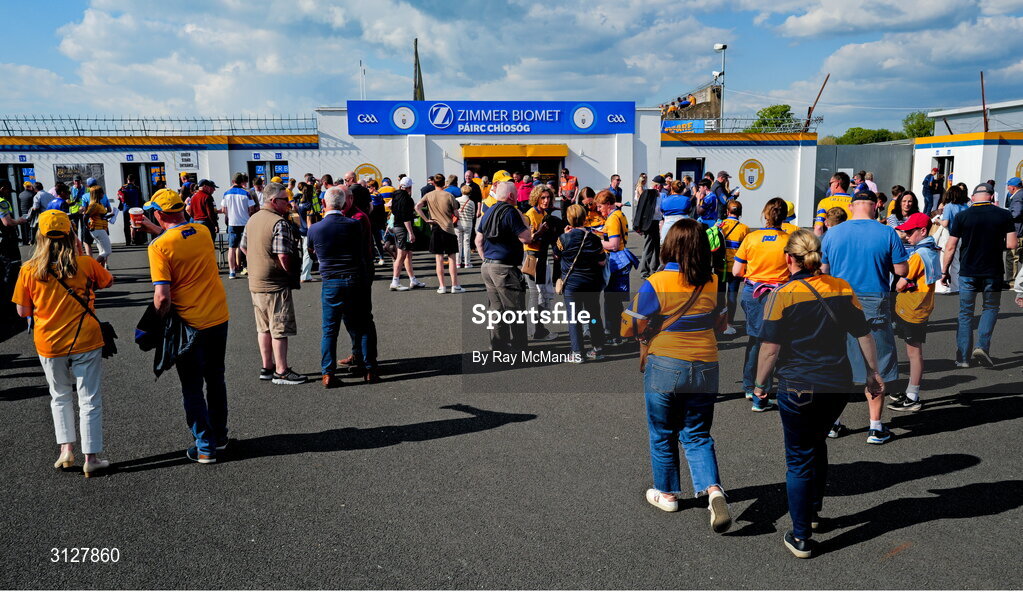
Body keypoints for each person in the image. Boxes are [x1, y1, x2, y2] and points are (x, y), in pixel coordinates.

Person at [754, 229, 884, 559]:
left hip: (798, 385)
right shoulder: (841, 287)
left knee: (798, 457)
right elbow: (863, 333)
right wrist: (872, 373)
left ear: (788, 258)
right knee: (818, 443)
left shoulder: (782, 294)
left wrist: (759, 386)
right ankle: (812, 513)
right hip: (837, 383)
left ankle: (801, 537)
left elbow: (770, 349)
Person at [625, 219, 731, 533]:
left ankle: (667, 493)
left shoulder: (657, 281)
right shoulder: (711, 280)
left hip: (666, 364)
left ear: (669, 245)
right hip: (706, 364)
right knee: (697, 433)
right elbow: (720, 325)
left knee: (662, 431)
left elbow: (629, 325)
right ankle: (713, 490)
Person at [13, 208, 114, 477]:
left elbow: (23, 312)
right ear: (71, 234)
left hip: (49, 341)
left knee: (59, 397)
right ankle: (91, 458)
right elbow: (107, 281)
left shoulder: (29, 270)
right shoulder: (84, 263)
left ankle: (66, 450)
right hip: (86, 337)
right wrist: (84, 253)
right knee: (89, 398)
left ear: (41, 237)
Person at [143, 189, 230, 464]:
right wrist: (154, 228)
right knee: (216, 378)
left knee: (191, 386)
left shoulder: (158, 247)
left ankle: (204, 445)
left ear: (158, 213)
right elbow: (179, 234)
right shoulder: (202, 232)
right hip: (218, 316)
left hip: (189, 324)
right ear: (183, 209)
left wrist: (155, 322)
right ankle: (219, 436)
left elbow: (162, 296)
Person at [821, 190, 908, 444]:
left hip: (839, 300)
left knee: (839, 362)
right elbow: (902, 269)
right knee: (876, 364)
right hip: (873, 301)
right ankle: (875, 426)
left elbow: (824, 270)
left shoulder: (833, 233)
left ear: (851, 206)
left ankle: (833, 423)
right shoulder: (887, 232)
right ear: (876, 205)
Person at [309, 186, 379, 387]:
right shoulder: (354, 224)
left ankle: (327, 373)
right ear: (344, 203)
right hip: (354, 278)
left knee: (330, 330)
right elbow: (362, 250)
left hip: (330, 280)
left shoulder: (315, 228)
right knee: (363, 324)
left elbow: (312, 251)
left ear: (324, 203)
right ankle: (369, 369)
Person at [941, 183, 1017, 367]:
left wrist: (945, 271)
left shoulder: (962, 216)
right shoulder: (1004, 214)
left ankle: (963, 358)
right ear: (991, 197)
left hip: (968, 271)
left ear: (973, 198)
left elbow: (950, 246)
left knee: (965, 313)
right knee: (990, 308)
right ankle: (982, 346)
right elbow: (1012, 244)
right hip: (993, 270)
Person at [241, 182, 307, 385]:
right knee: (279, 328)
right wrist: (289, 273)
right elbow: (284, 256)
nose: (289, 203)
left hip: (256, 282)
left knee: (264, 328)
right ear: (273, 201)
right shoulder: (279, 223)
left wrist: (258, 260)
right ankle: (281, 371)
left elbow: (244, 247)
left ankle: (267, 367)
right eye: (285, 200)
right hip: (275, 283)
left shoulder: (253, 219)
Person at [732, 198, 790, 410]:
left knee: (756, 340)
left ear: (765, 214)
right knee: (778, 342)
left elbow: (737, 271)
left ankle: (751, 386)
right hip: (780, 293)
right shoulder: (791, 239)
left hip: (753, 292)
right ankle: (769, 385)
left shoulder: (752, 237)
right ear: (784, 216)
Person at [887, 213, 940, 412]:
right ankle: (911, 393)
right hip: (921, 306)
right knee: (913, 352)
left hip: (913, 308)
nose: (907, 235)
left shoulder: (919, 255)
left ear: (923, 231)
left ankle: (913, 396)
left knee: (914, 352)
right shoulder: (931, 249)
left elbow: (901, 284)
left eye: (910, 231)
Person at [474, 181, 531, 351]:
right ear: (512, 196)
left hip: (488, 267)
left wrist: (487, 259)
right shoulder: (511, 212)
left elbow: (478, 240)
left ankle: (499, 345)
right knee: (515, 309)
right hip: (505, 267)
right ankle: (520, 348)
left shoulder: (488, 210)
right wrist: (523, 218)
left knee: (496, 309)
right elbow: (526, 238)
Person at [554, 204, 606, 361]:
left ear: (569, 219)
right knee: (593, 315)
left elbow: (556, 255)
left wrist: (565, 234)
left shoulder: (563, 238)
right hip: (591, 281)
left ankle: (577, 352)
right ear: (585, 218)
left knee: (573, 317)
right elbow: (602, 262)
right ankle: (598, 348)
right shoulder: (594, 239)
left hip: (572, 283)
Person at [595, 189, 631, 347]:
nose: (598, 209)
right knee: (615, 300)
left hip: (615, 261)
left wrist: (595, 241)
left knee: (611, 300)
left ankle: (613, 334)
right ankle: (620, 333)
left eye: (600, 206)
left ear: (608, 204)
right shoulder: (618, 214)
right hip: (621, 260)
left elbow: (614, 245)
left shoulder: (613, 218)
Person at [416, 173, 463, 293]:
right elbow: (456, 213)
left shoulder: (428, 195)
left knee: (439, 259)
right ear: (444, 183)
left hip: (436, 228)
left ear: (433, 183)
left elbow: (417, 207)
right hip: (448, 228)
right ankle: (455, 285)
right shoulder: (449, 195)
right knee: (452, 258)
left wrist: (426, 220)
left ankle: (442, 286)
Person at [523, 185, 558, 341]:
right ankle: (536, 331)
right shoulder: (530, 214)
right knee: (535, 294)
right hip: (532, 256)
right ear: (536, 198)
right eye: (543, 197)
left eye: (548, 197)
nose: (546, 200)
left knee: (544, 293)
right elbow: (528, 239)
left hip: (542, 257)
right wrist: (540, 232)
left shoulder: (544, 213)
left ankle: (539, 328)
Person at [717, 200, 749, 334]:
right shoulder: (744, 228)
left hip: (720, 265)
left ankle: (718, 322)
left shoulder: (719, 225)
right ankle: (729, 323)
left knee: (719, 295)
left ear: (727, 211)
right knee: (732, 296)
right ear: (740, 213)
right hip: (736, 267)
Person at [221, 173, 258, 279]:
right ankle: (250, 269)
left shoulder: (226, 193)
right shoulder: (247, 193)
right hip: (245, 223)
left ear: (233, 181)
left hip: (232, 223)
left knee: (231, 248)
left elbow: (224, 210)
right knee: (248, 247)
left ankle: (232, 271)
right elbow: (251, 209)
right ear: (242, 182)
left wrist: (230, 214)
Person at [389, 177, 424, 291]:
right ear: (409, 187)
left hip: (396, 226)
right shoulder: (407, 199)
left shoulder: (395, 195)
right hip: (403, 228)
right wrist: (411, 232)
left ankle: (412, 280)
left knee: (408, 254)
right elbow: (406, 217)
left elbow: (389, 206)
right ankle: (395, 281)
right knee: (401, 256)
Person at [934, 184, 970, 295]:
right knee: (956, 262)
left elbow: (945, 223)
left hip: (949, 236)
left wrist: (937, 220)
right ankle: (955, 286)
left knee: (942, 260)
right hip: (961, 237)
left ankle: (941, 287)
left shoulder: (949, 206)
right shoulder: (966, 206)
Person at [634, 175, 665, 278]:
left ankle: (654, 268)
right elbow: (641, 208)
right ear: (657, 186)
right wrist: (637, 225)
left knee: (656, 247)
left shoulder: (659, 194)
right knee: (648, 247)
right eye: (661, 186)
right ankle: (644, 271)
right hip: (649, 223)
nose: (663, 187)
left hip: (655, 222)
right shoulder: (648, 193)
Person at [83, 186, 112, 267]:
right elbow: (86, 216)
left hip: (101, 229)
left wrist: (111, 215)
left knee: (102, 251)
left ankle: (101, 272)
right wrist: (87, 226)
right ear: (97, 194)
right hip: (98, 229)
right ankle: (92, 267)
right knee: (107, 251)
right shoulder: (94, 205)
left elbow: (102, 217)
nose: (103, 193)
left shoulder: (99, 204)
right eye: (101, 192)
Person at [0, 181, 28, 261]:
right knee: (13, 263)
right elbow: (7, 222)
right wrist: (19, 221)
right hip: (7, 239)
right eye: (8, 190)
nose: (8, 193)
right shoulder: (2, 202)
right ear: (2, 189)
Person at [117, 175, 145, 246]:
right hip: (135, 209)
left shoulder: (123, 188)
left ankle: (128, 241)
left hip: (126, 208)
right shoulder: (136, 188)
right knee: (137, 224)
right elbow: (140, 198)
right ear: (133, 180)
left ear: (127, 179)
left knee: (126, 225)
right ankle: (137, 240)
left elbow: (118, 197)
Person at [455, 185, 478, 268]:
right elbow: (472, 215)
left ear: (462, 191)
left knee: (458, 243)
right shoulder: (471, 202)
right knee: (467, 243)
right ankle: (467, 263)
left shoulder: (456, 200)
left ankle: (458, 263)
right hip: (468, 224)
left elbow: (454, 211)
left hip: (458, 224)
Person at [1006, 177, 1023, 281]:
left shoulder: (1017, 197)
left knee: (1012, 257)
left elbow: (1016, 213)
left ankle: (1012, 281)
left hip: (1017, 231)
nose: (1007, 188)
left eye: (1008, 186)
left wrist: (1005, 216)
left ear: (1012, 187)